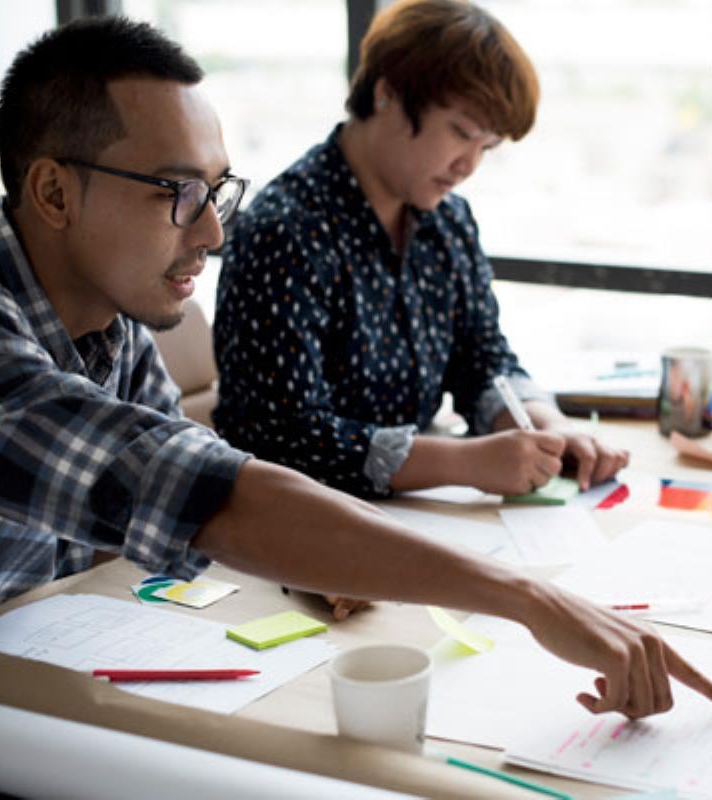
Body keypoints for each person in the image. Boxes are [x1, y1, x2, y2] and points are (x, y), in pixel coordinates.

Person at [0, 16, 712, 723]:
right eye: (179, 192)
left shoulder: (113, 322)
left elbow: (184, 509)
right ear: (51, 191)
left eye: (218, 189)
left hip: (30, 691)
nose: (215, 232)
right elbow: (192, 483)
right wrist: (525, 597)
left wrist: (314, 557)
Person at [213, 0, 628, 510]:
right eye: (461, 132)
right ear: (388, 92)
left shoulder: (446, 221)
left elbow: (483, 359)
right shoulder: (285, 231)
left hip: (409, 514)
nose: (468, 165)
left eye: (488, 146)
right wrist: (468, 463)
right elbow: (286, 439)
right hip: (290, 529)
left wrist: (548, 425)